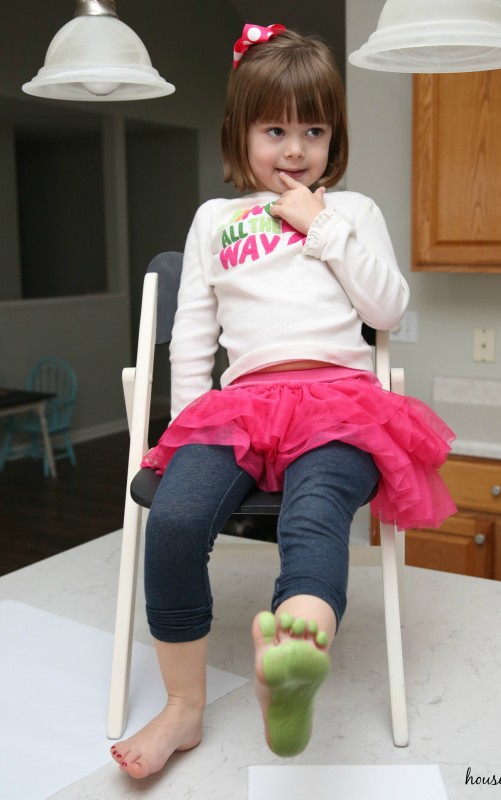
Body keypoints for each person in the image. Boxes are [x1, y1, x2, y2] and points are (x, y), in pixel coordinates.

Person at [110, 23, 456, 778]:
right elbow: (195, 339)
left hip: (338, 403)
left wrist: (322, 225)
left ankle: (292, 649)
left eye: (313, 129)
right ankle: (183, 708)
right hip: (238, 409)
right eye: (274, 129)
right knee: (171, 523)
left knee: (315, 515)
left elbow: (388, 308)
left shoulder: (353, 213)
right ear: (241, 133)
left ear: (335, 137)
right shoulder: (216, 220)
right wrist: (180, 432)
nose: (294, 149)